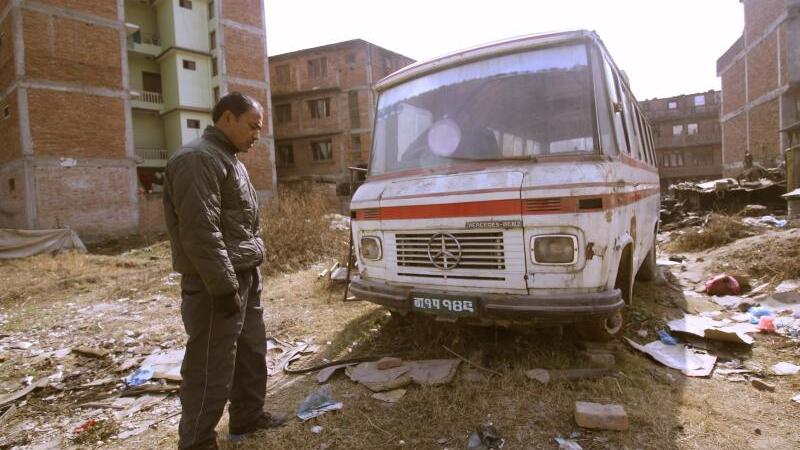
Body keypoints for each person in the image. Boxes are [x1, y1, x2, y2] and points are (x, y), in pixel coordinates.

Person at [163, 92, 285, 450]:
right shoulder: (197, 159)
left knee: (251, 351)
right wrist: (223, 287)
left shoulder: (230, 160)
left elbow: (240, 225)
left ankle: (247, 418)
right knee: (209, 366)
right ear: (227, 118)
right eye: (252, 126)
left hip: (244, 273)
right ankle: (198, 442)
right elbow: (201, 232)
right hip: (216, 282)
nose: (256, 135)